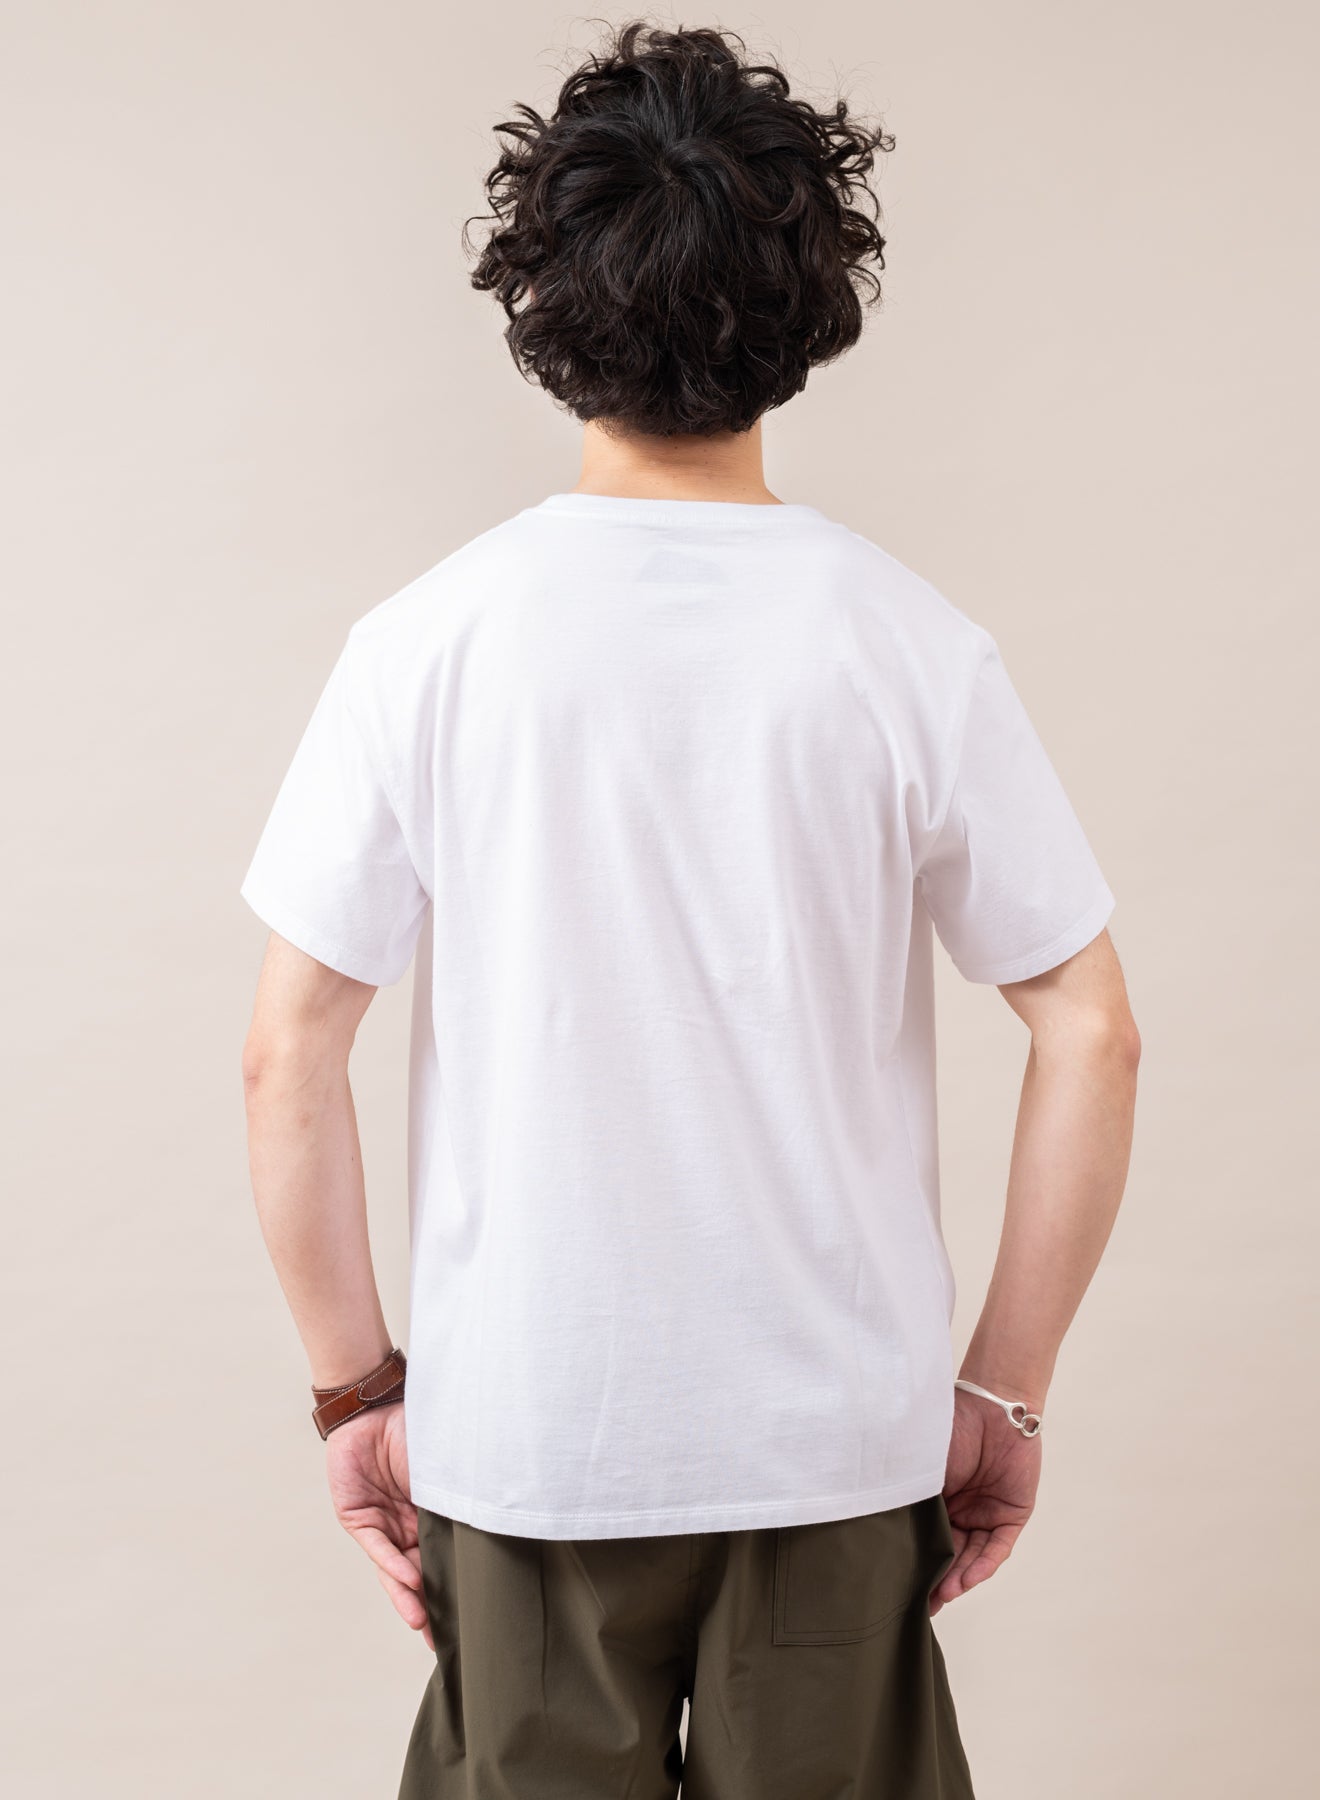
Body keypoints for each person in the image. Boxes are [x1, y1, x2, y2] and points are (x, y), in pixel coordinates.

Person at [239, 19, 1140, 1798]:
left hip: (530, 1439)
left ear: (544, 298)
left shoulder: (428, 643)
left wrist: (356, 1395)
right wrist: (1002, 1387)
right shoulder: (908, 646)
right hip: (837, 1446)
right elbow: (1092, 1032)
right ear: (810, 307)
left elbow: (287, 1056)